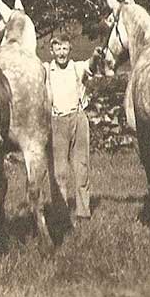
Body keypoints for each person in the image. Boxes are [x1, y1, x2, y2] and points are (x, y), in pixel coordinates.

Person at [44, 30, 103, 226]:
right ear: (52, 51)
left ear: (70, 49)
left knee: (82, 168)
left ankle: (83, 213)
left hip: (78, 119)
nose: (61, 51)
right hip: (56, 121)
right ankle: (60, 215)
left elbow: (92, 65)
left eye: (65, 47)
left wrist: (95, 55)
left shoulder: (77, 68)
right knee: (59, 171)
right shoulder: (46, 70)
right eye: (57, 47)